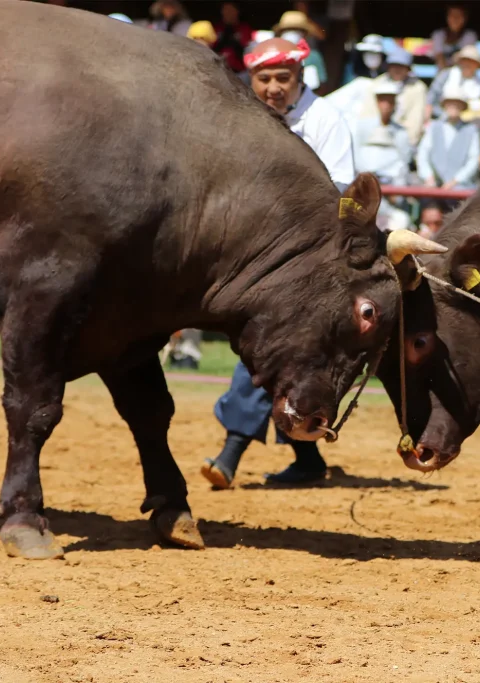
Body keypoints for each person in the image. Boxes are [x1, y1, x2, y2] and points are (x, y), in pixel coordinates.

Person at [200, 38, 356, 489]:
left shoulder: (325, 119)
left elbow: (340, 194)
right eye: (263, 79)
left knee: (268, 350)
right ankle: (305, 458)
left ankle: (231, 454)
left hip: (312, 263)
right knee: (284, 355)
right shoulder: (246, 119)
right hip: (258, 258)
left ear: (301, 78)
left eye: (282, 79)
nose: (272, 88)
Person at [354, 81, 414, 231]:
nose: (386, 104)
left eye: (389, 100)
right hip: (364, 190)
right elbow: (355, 157)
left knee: (401, 221)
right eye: (382, 100)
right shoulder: (362, 126)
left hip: (389, 193)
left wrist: (397, 190)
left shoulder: (401, 133)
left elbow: (403, 163)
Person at [416, 88, 480, 190]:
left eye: (457, 103)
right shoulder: (433, 127)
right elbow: (423, 154)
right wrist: (428, 177)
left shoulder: (471, 130)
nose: (453, 106)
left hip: (462, 187)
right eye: (450, 103)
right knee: (430, 205)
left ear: (463, 107)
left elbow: (473, 161)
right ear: (444, 105)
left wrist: (455, 181)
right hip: (434, 185)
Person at [381, 47, 428, 146]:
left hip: (404, 140)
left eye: (401, 66)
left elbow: (416, 118)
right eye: (394, 65)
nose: (397, 70)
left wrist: (409, 143)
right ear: (388, 67)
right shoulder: (377, 84)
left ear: (408, 69)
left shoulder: (418, 88)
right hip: (378, 138)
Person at [274, 10, 327, 92]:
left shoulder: (313, 56)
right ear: (281, 34)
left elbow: (321, 86)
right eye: (288, 30)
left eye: (297, 30)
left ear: (304, 35)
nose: (292, 33)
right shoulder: (271, 55)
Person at [427, 45, 480, 117]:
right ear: (459, 62)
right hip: (439, 116)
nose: (467, 64)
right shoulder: (446, 74)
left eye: (471, 62)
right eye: (465, 60)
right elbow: (431, 97)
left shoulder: (478, 84)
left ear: (477, 65)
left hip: (466, 122)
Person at [431, 4, 477, 70]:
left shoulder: (470, 36)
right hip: (442, 74)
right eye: (452, 15)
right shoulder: (438, 35)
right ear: (447, 17)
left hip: (463, 74)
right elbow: (440, 59)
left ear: (465, 18)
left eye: (459, 15)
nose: (455, 18)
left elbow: (466, 59)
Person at [213, 2, 252, 74]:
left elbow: (246, 51)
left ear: (237, 11)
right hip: (218, 69)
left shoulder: (244, 28)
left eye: (230, 10)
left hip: (239, 72)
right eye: (225, 10)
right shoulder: (217, 28)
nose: (227, 13)